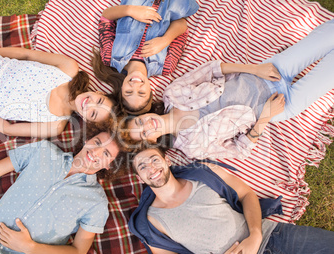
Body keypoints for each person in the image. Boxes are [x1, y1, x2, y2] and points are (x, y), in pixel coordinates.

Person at [125, 18, 334, 160]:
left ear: (144, 113)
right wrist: (265, 118)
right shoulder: (192, 147)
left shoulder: (172, 94)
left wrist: (256, 69)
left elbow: (212, 69)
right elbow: (239, 150)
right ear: (151, 141)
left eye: (140, 121)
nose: (147, 125)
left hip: (266, 72)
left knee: (327, 35)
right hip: (280, 105)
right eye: (144, 133)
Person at [129, 147, 334, 254]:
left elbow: (246, 194)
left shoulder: (203, 172)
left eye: (154, 160)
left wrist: (255, 235)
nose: (151, 169)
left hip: (274, 235)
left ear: (167, 160)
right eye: (142, 166)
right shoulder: (149, 222)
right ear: (139, 177)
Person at [0, 43, 116, 138]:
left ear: (86, 120)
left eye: (93, 113)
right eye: (99, 101)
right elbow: (25, 54)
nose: (89, 104)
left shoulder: (56, 125)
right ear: (100, 93)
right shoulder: (69, 69)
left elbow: (8, 129)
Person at [91, 0, 199, 115]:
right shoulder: (166, 66)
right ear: (150, 91)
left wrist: (131, 10)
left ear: (121, 89)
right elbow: (182, 24)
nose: (136, 86)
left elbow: (106, 17)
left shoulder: (110, 57)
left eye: (128, 92)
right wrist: (165, 40)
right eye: (141, 93)